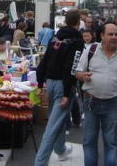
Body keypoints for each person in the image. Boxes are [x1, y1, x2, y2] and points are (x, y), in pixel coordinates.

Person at [75, 22, 117, 166]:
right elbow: (77, 72)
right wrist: (83, 76)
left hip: (111, 103)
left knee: (111, 141)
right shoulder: (91, 51)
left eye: (116, 34)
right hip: (91, 102)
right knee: (89, 140)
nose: (114, 37)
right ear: (102, 36)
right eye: (110, 34)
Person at [35, 9, 85, 165]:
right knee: (52, 127)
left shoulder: (55, 37)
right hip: (63, 84)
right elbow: (71, 67)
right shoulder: (77, 41)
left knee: (56, 120)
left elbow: (44, 62)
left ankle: (60, 149)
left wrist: (39, 83)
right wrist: (67, 91)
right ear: (78, 23)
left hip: (50, 82)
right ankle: (40, 162)